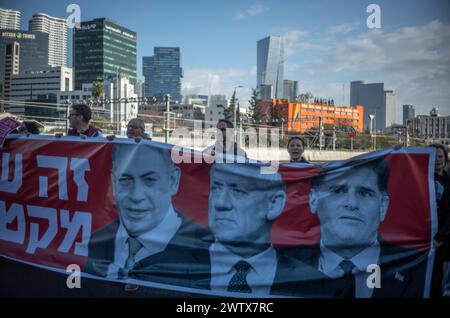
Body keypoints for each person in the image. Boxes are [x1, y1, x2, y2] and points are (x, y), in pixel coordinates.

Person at [293, 157, 428, 297]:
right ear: (314, 200)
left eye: (364, 193)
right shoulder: (281, 265)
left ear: (383, 206)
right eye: (338, 191)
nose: (351, 203)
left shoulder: (415, 265)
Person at [84, 142, 210, 289]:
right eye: (125, 180)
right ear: (113, 182)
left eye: (149, 180)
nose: (136, 195)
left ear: (173, 181)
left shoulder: (207, 249)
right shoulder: (98, 240)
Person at [201, 163, 328, 296]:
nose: (220, 203)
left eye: (238, 191)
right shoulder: (179, 265)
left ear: (274, 204)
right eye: (215, 188)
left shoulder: (313, 284)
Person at [428, 144, 450, 298]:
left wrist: (439, 238)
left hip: (442, 237)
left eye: (441, 156)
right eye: (434, 156)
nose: (438, 160)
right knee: (429, 276)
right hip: (423, 235)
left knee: (438, 274)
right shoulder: (421, 178)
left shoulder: (449, 181)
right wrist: (398, 151)